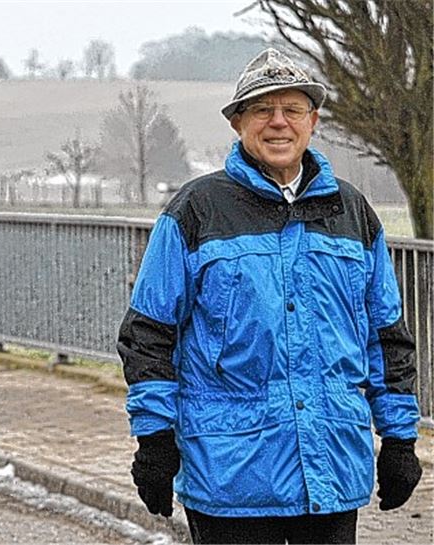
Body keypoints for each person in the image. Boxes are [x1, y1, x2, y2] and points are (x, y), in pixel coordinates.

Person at [117, 48, 422, 544]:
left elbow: (387, 335)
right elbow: (149, 333)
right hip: (231, 474)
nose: (278, 123)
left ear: (312, 121)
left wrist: (400, 438)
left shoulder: (352, 213)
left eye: (292, 109)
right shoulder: (196, 212)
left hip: (330, 465)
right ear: (239, 123)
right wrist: (154, 439)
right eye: (262, 109)